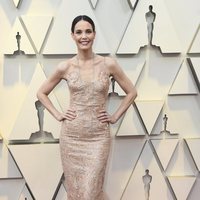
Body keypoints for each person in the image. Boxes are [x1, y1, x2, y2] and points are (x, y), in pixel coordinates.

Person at [37, 15, 137, 200]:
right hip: (71, 137)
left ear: (94, 34)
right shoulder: (65, 66)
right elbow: (41, 93)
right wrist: (58, 114)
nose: (84, 36)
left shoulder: (108, 64)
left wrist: (114, 117)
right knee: (76, 192)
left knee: (92, 191)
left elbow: (132, 92)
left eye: (88, 31)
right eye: (79, 32)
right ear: (73, 36)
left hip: (98, 137)